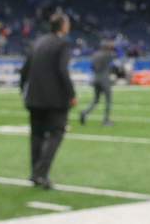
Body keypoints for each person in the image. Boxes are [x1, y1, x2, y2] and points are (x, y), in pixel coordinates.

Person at [20, 11, 76, 189]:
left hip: (34, 98)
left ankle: (35, 173)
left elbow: (24, 70)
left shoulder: (37, 42)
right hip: (55, 100)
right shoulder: (63, 44)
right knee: (56, 133)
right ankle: (41, 172)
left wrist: (22, 90)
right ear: (63, 26)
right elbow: (62, 70)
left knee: (36, 135)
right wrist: (71, 94)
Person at [79, 40, 115, 126]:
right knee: (108, 100)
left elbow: (92, 67)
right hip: (104, 79)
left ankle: (84, 112)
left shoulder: (95, 55)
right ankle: (106, 120)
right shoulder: (108, 54)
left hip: (95, 78)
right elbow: (114, 57)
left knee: (95, 100)